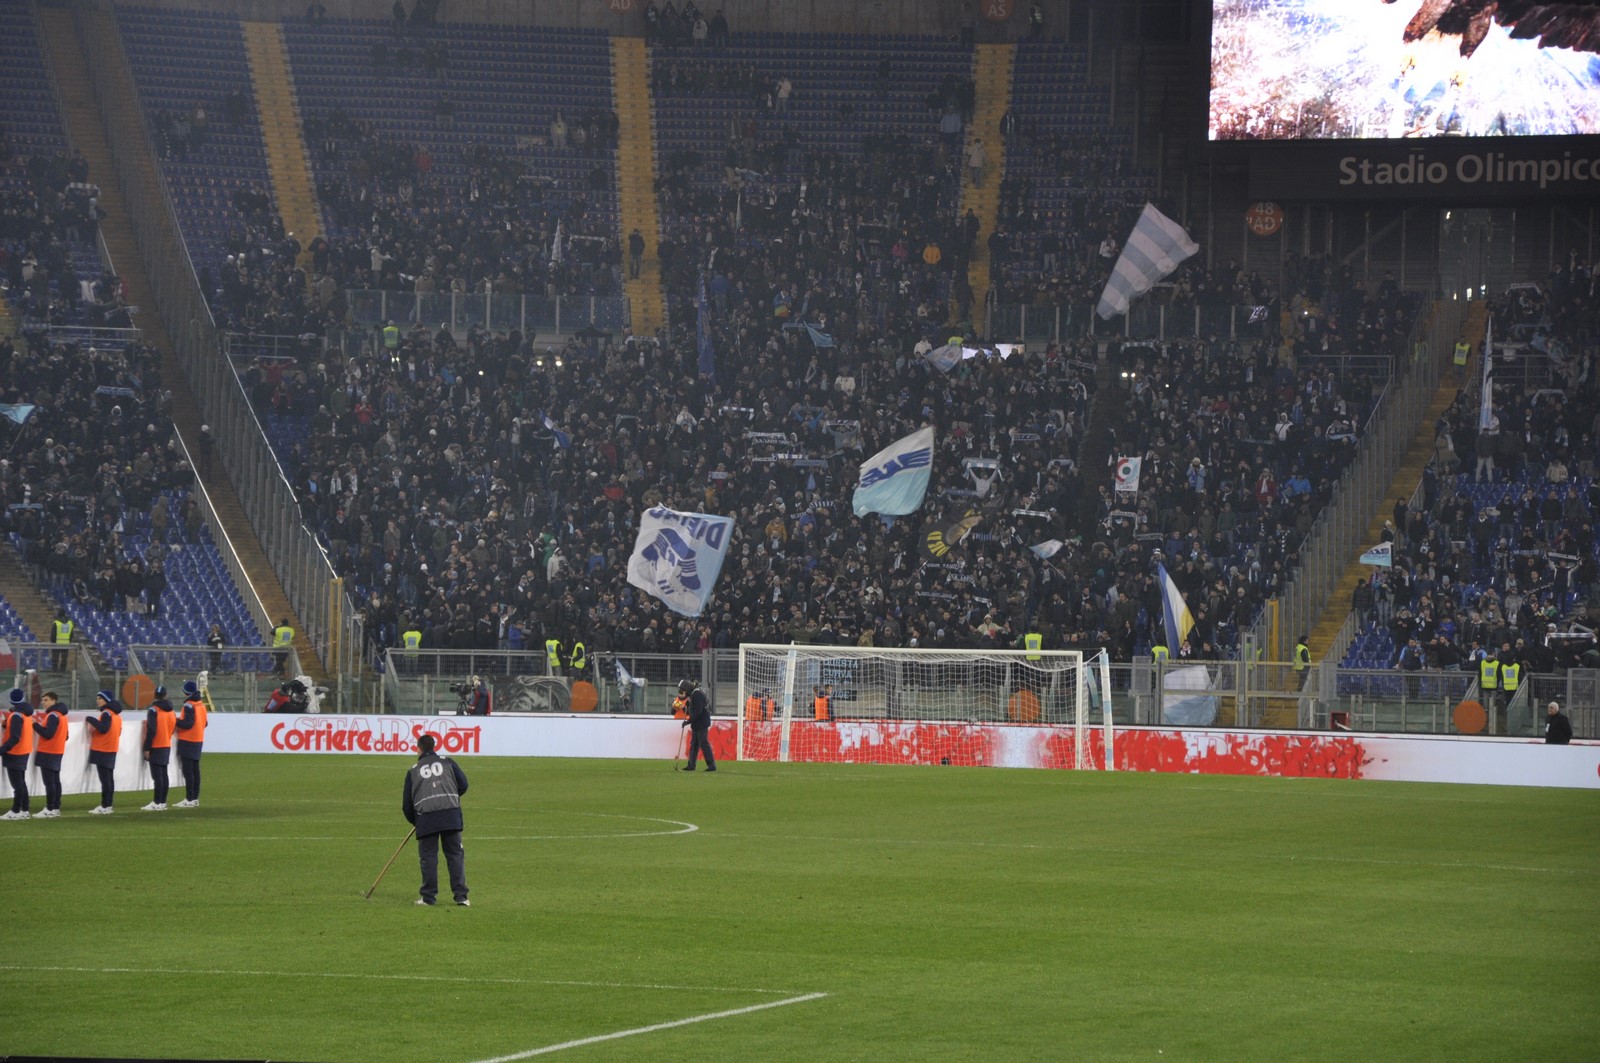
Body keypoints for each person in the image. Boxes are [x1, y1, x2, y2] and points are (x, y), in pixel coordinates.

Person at [402, 733, 470, 906]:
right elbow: (463, 785)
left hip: (426, 818)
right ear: (434, 747)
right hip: (450, 815)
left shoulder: (413, 771)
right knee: (455, 855)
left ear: (418, 749)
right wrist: (449, 796)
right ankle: (462, 897)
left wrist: (417, 821)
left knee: (429, 858)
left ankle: (428, 897)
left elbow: (407, 806)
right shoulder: (448, 762)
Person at [85, 690, 123, 814]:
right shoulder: (116, 715)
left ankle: (105, 805)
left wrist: (91, 719)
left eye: (100, 698)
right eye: (97, 698)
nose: (97, 700)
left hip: (103, 749)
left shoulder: (106, 713)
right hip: (111, 748)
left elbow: (103, 728)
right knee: (109, 779)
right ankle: (108, 804)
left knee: (105, 780)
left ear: (106, 700)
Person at [32, 692, 68, 818]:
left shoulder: (52, 715)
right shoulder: (62, 716)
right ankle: (55, 807)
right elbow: (66, 736)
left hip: (48, 752)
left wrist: (34, 724)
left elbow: (48, 734)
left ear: (54, 701)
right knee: (55, 781)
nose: (43, 702)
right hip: (57, 751)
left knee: (49, 782)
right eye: (43, 700)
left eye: (46, 700)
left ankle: (50, 808)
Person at [2, 689, 34, 820]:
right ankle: (25, 809)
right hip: (24, 750)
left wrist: (2, 750)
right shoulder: (25, 713)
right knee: (20, 782)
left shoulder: (16, 715)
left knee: (17, 784)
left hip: (15, 752)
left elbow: (15, 737)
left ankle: (15, 810)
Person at [143, 685, 176, 811]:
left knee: (157, 776)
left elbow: (151, 729)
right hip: (166, 743)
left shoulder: (153, 710)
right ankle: (162, 802)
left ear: (154, 696)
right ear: (166, 695)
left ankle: (157, 802)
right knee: (163, 774)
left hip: (156, 745)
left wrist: (147, 747)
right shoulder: (171, 710)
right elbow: (173, 727)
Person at [174, 680, 207, 808]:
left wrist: (175, 721)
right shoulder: (201, 704)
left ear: (186, 692)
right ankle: (194, 798)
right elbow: (205, 723)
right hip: (198, 740)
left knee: (188, 771)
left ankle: (189, 798)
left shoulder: (189, 705)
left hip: (188, 740)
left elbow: (188, 723)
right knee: (195, 771)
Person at [678, 679, 715, 772]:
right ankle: (691, 765)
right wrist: (688, 706)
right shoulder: (694, 694)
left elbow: (698, 711)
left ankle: (712, 766)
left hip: (701, 723)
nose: (683, 693)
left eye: (683, 690)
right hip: (697, 723)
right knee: (694, 744)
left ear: (687, 689)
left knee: (703, 744)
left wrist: (688, 721)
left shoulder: (697, 694)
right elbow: (694, 710)